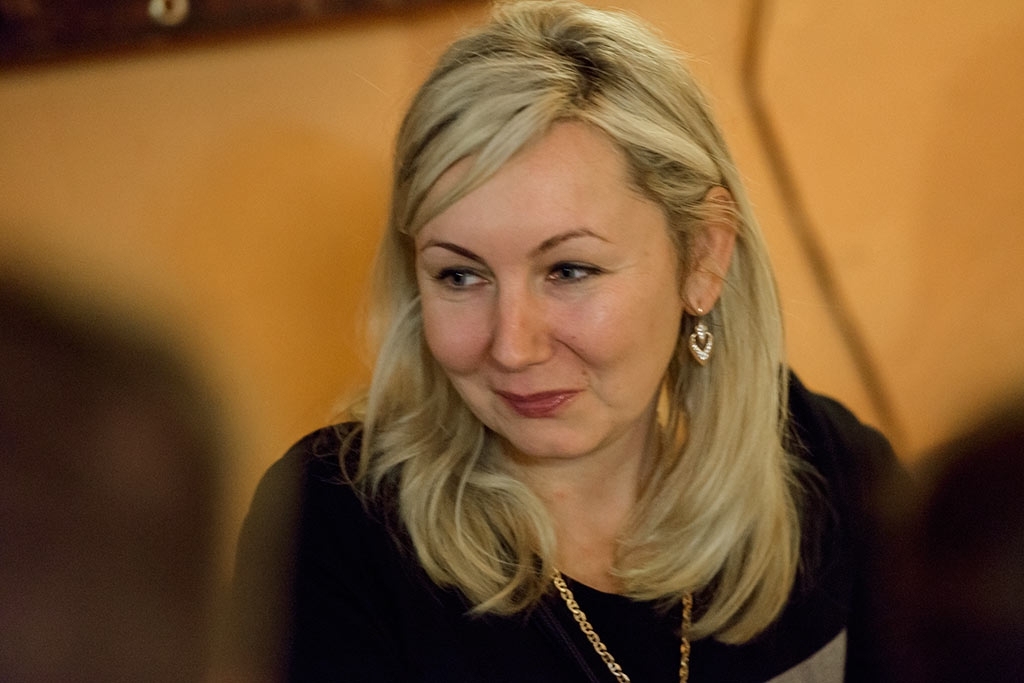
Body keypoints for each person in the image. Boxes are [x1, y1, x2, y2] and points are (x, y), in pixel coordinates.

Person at [227, 2, 903, 681]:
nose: (512, 347)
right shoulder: (334, 527)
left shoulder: (828, 468)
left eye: (569, 270)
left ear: (703, 258)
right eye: (460, 275)